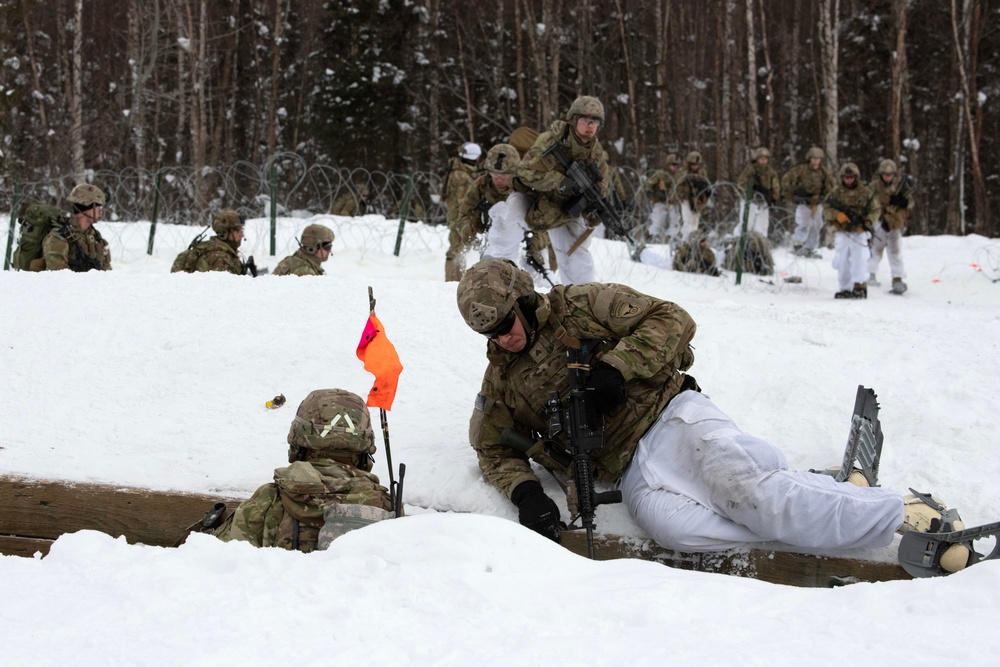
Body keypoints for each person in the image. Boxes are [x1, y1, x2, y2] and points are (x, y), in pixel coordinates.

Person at [455, 258, 970, 571]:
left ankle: (902, 512)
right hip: (632, 473)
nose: (504, 338)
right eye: (491, 334)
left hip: (673, 418)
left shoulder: (581, 304)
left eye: (507, 323)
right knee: (678, 531)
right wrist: (524, 494)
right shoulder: (503, 377)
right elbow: (491, 445)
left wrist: (616, 366)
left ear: (523, 300)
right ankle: (825, 500)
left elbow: (673, 319)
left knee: (746, 494)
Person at [216, 389, 394, 552]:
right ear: (364, 449)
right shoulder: (386, 506)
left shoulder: (267, 501)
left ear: (298, 441)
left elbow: (225, 566)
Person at [484, 95, 612, 285]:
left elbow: (601, 189)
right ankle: (490, 278)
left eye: (595, 122)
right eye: (585, 120)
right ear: (573, 120)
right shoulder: (550, 140)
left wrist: (593, 211)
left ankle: (582, 300)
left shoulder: (596, 155)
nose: (590, 126)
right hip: (532, 197)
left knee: (576, 257)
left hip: (563, 208)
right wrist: (558, 180)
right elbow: (524, 172)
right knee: (508, 221)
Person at [462, 143, 553, 282]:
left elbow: (544, 221)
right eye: (494, 174)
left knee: (536, 284)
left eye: (505, 174)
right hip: (494, 243)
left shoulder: (527, 186)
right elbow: (465, 213)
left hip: (529, 246)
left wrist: (535, 243)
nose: (499, 179)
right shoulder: (481, 186)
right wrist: (468, 228)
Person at [824, 163, 880, 299]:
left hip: (859, 231)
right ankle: (845, 288)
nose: (849, 180)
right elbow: (826, 207)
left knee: (859, 258)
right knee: (842, 260)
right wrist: (837, 215)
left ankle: (859, 285)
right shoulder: (836, 193)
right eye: (846, 177)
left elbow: (875, 209)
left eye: (851, 177)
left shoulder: (865, 192)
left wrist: (867, 222)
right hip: (842, 231)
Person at [868, 159, 914, 295]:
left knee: (895, 250)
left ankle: (897, 278)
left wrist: (903, 202)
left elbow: (910, 203)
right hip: (879, 221)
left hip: (894, 222)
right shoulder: (874, 186)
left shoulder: (900, 185)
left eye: (890, 174)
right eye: (885, 174)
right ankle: (870, 275)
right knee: (875, 248)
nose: (888, 177)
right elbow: (867, 202)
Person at [41, 183, 112, 271]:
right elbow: (58, 277)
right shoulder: (59, 237)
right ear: (87, 206)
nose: (101, 213)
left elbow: (107, 272)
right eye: (98, 208)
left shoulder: (95, 236)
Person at [781, 146, 835, 258]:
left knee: (817, 224)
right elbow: (787, 179)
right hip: (803, 201)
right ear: (809, 158)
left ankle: (810, 247)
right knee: (804, 223)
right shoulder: (801, 169)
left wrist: (825, 196)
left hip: (816, 201)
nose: (816, 161)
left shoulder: (823, 171)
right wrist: (793, 192)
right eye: (813, 158)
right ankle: (798, 244)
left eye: (818, 158)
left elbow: (830, 185)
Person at [444, 142, 483, 281]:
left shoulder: (460, 171)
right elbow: (464, 201)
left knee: (459, 248)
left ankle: (457, 280)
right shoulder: (461, 176)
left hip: (458, 216)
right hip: (459, 217)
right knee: (456, 249)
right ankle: (453, 281)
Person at [170, 210, 248, 275]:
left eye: (242, 230)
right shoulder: (219, 257)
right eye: (238, 230)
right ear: (225, 232)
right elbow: (220, 290)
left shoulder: (225, 252)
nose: (242, 235)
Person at [735, 147, 780, 239]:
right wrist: (752, 190)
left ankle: (759, 246)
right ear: (757, 159)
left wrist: (773, 197)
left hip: (763, 202)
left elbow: (775, 185)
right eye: (761, 158)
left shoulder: (770, 172)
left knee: (762, 227)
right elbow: (741, 183)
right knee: (746, 225)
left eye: (765, 158)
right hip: (750, 201)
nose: (763, 161)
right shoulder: (750, 170)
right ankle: (739, 243)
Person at [671, 151, 712, 243]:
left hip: (698, 200)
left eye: (697, 165)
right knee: (687, 222)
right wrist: (689, 180)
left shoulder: (702, 172)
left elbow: (706, 183)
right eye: (693, 164)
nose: (695, 167)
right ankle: (686, 242)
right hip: (686, 199)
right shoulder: (682, 172)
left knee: (695, 222)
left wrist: (704, 188)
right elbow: (678, 183)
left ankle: (693, 241)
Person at [641, 153, 682, 243]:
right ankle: (649, 238)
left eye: (676, 165)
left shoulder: (679, 175)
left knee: (674, 224)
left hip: (673, 203)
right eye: (673, 165)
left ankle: (670, 241)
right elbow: (649, 184)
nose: (675, 167)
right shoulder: (661, 174)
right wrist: (654, 193)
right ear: (668, 165)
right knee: (658, 223)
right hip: (660, 202)